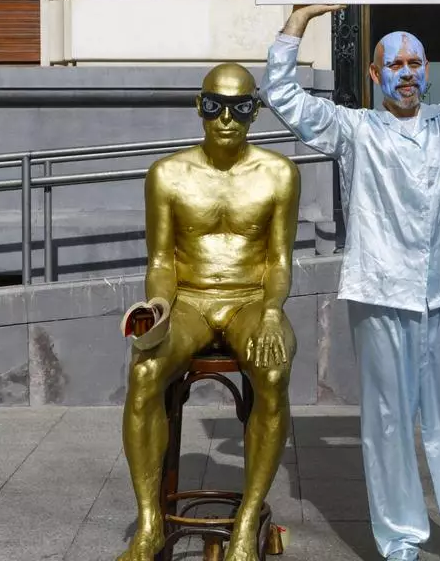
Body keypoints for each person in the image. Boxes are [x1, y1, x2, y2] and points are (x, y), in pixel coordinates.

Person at [260, 4, 440, 561]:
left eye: (415, 63)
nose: (407, 73)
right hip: (380, 289)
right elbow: (285, 97)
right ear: (375, 74)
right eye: (395, 64)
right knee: (388, 419)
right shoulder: (355, 130)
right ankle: (400, 541)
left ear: (427, 70)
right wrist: (299, 22)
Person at [116, 62, 301, 561]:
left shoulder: (279, 174)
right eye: (215, 106)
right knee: (144, 373)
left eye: (239, 108)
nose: (226, 119)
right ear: (200, 107)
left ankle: (247, 521)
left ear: (256, 111)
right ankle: (149, 522)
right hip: (189, 301)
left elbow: (279, 261)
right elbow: (161, 261)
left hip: (251, 299)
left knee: (274, 371)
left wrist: (272, 311)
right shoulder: (167, 175)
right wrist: (158, 308)